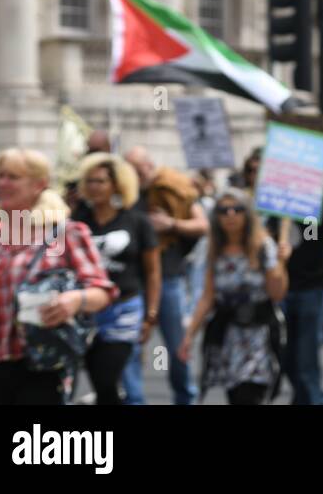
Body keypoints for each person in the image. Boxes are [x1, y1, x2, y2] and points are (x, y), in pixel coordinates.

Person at [0, 149, 117, 405]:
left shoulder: (65, 233)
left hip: (45, 364)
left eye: (13, 177)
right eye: (0, 176)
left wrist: (74, 300)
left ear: (39, 184)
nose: (3, 183)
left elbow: (102, 290)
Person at [180, 189, 286, 405]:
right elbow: (208, 297)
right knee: (235, 395)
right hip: (228, 335)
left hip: (259, 335)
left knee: (249, 396)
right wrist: (189, 335)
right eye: (223, 210)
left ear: (247, 214)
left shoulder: (263, 246)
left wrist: (280, 264)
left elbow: (277, 293)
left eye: (237, 209)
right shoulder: (214, 248)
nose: (230, 215)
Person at [120, 148, 206, 405]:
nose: (137, 174)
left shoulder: (172, 188)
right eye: (131, 170)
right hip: (135, 280)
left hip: (168, 277)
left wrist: (171, 224)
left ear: (149, 165)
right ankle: (134, 399)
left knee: (176, 344)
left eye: (140, 168)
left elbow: (203, 225)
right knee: (130, 345)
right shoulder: (126, 195)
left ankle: (184, 397)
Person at [71, 153, 160, 404]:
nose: (94, 187)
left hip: (124, 309)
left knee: (108, 378)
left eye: (100, 181)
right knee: (98, 381)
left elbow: (153, 272)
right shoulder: (77, 221)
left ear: (116, 184)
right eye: (89, 181)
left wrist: (151, 315)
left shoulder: (137, 221)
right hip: (86, 312)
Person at [265, 188, 323, 405]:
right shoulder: (275, 197)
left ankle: (316, 400)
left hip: (312, 289)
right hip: (281, 289)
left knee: (305, 360)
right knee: (285, 357)